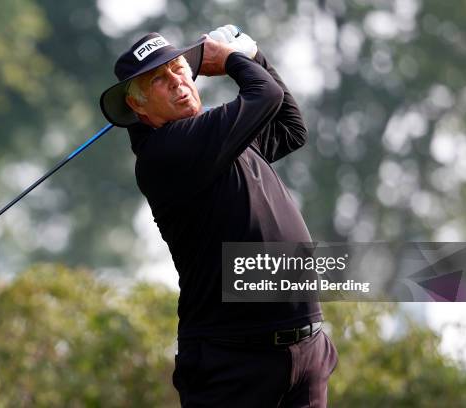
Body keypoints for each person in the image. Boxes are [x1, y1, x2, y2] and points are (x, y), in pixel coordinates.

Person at [100, 26, 338, 407]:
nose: (178, 81)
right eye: (160, 80)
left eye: (179, 69)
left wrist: (256, 56)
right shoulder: (167, 153)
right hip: (235, 361)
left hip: (304, 350)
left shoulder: (216, 137)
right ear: (138, 107)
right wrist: (231, 59)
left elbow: (291, 129)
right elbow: (265, 95)